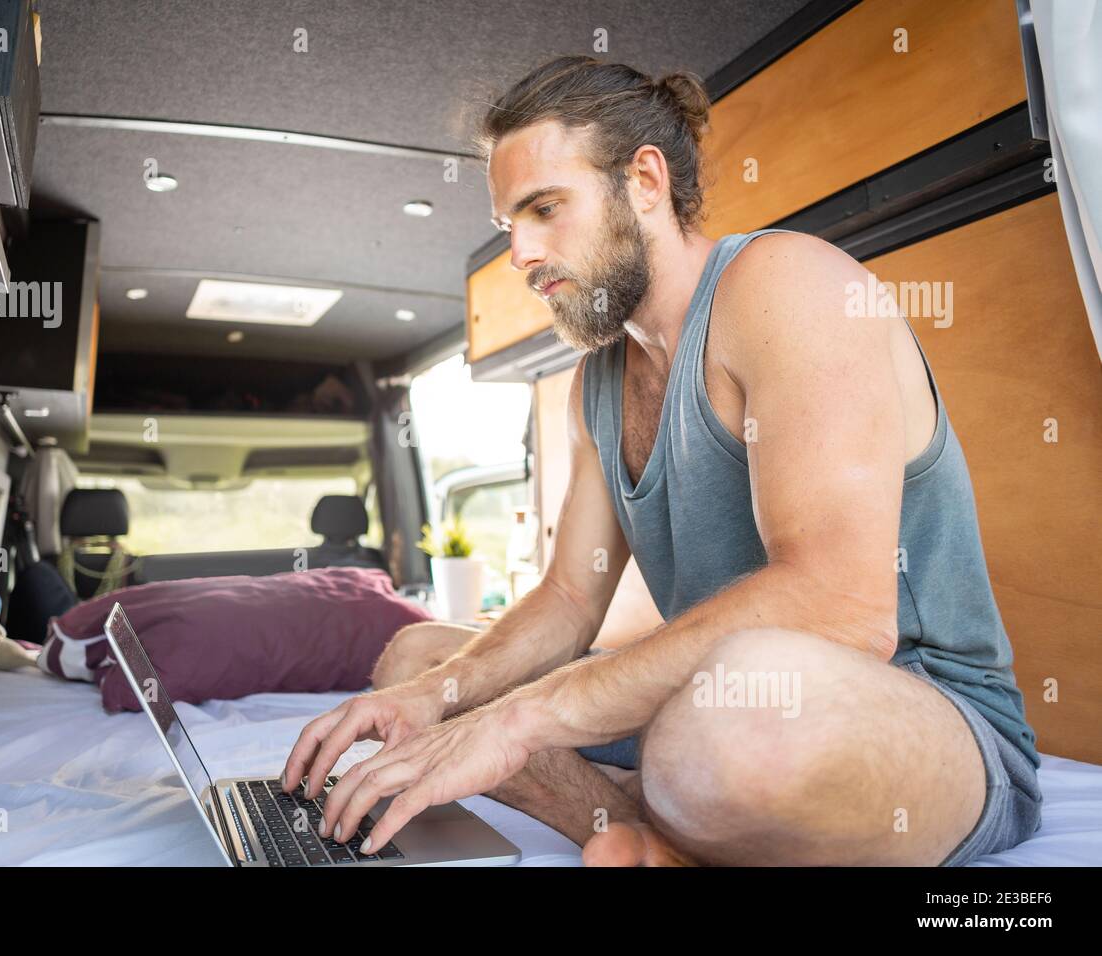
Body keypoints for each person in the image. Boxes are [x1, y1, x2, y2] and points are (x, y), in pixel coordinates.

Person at [280, 55, 1042, 866]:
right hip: (712, 697)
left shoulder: (788, 285)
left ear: (644, 181)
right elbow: (572, 596)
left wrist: (518, 720)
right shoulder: (595, 383)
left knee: (724, 725)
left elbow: (838, 607)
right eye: (511, 226)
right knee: (420, 664)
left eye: (545, 208)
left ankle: (677, 806)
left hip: (911, 711)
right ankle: (645, 834)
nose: (523, 256)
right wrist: (436, 698)